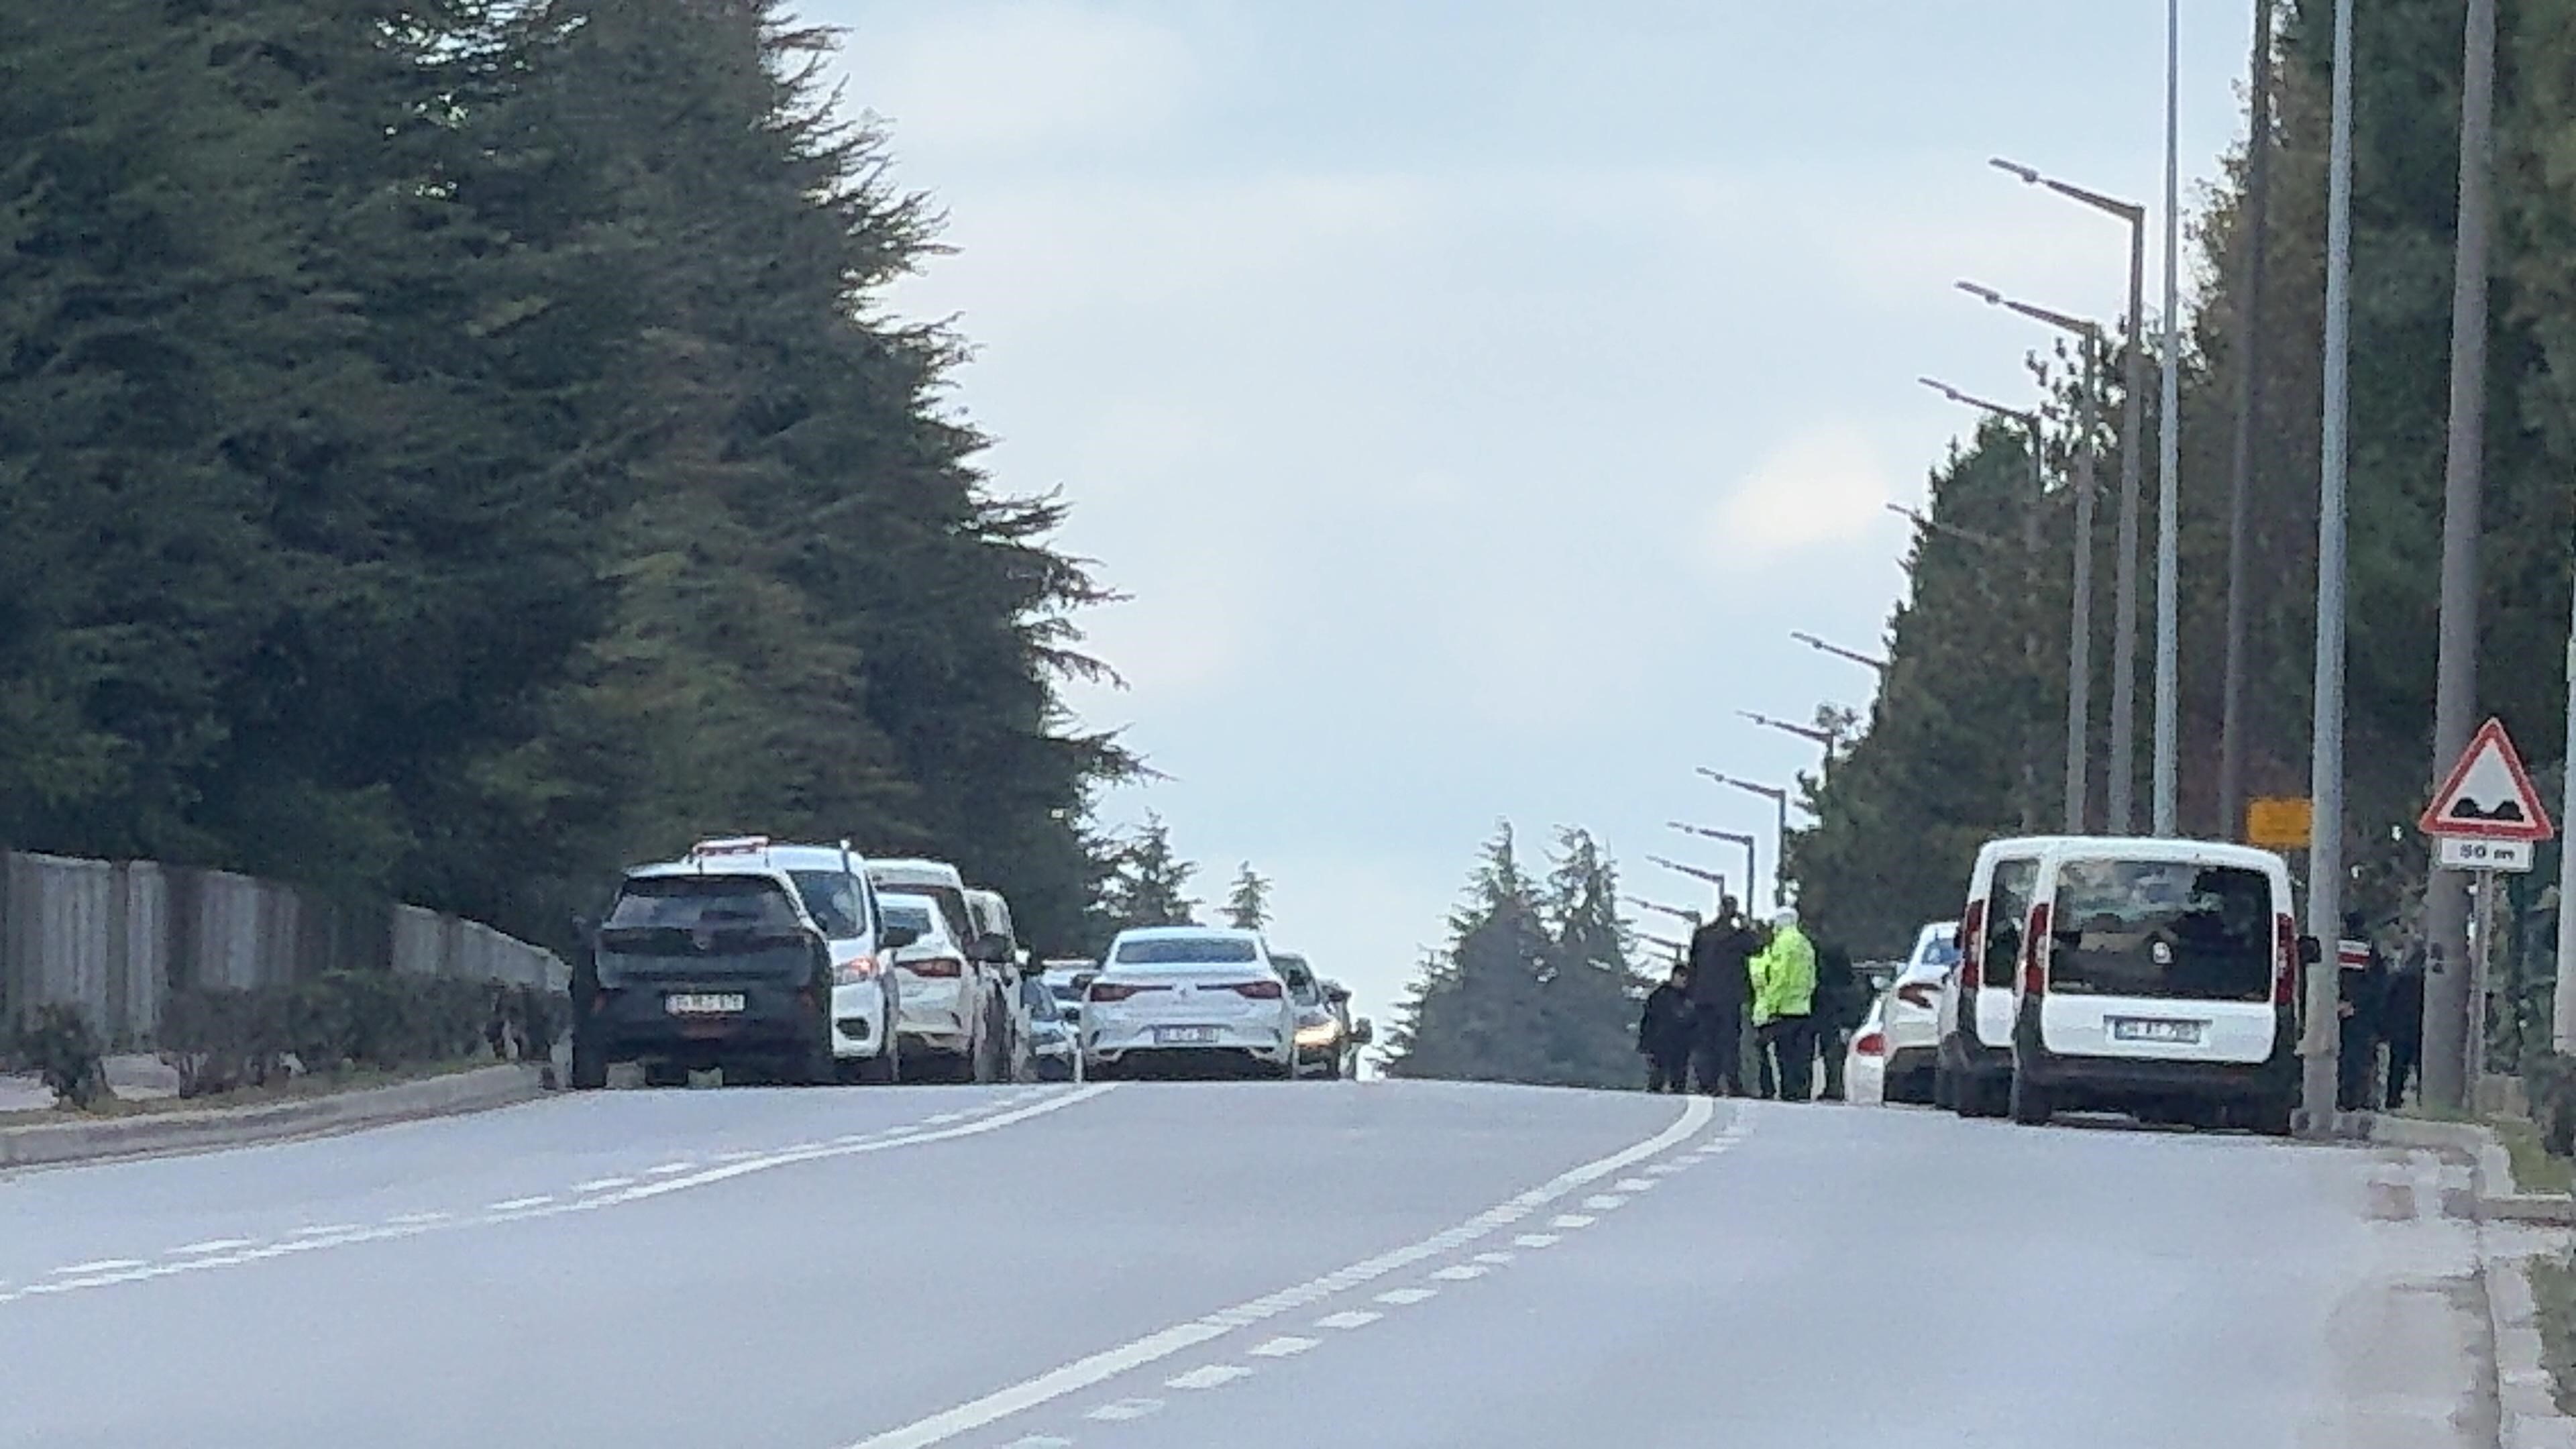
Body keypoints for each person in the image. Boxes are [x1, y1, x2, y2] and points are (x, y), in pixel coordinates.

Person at [1686, 898, 1760, 1095]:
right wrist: (1747, 926)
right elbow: (1757, 949)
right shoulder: (1738, 937)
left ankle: (1707, 1084)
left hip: (1704, 998)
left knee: (1706, 1042)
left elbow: (1693, 965)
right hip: (1729, 999)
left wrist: (1691, 994)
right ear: (1734, 912)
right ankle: (1733, 1085)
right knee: (1729, 1043)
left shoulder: (1702, 935)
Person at [1750, 906, 1819, 1102]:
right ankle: (1801, 1091)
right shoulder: (1805, 944)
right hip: (1803, 1007)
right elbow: (1811, 978)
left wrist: (1770, 1006)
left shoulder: (1783, 944)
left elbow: (1780, 978)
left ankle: (1787, 1091)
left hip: (1785, 1009)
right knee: (1801, 1055)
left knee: (1784, 1055)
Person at [2334, 911, 2386, 1112]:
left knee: (2339, 1056)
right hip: (2360, 1012)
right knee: (2357, 1057)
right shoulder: (2368, 947)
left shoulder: (2332, 941)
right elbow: (2377, 983)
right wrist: (2356, 1005)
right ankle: (2355, 1099)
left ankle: (2342, 1097)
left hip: (2335, 1008)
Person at [1811, 941, 1862, 1102]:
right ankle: (1835, 1087)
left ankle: (1832, 1087)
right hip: (1836, 1011)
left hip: (1824, 1009)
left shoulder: (1822, 959)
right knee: (1834, 1052)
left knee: (1828, 1050)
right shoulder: (1846, 981)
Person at [2383, 935, 2426, 1111]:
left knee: (2397, 1067)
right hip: (2421, 1029)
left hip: (2400, 1028)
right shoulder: (2427, 982)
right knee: (2422, 1067)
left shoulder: (2399, 978)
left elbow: (2387, 1001)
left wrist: (2385, 1026)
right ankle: (2424, 1100)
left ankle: (2392, 1100)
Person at [1638, 964, 1696, 1094]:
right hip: (1660, 1041)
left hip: (1681, 1043)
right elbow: (1649, 1019)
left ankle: (1677, 1091)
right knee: (1658, 1073)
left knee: (1679, 1075)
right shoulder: (1660, 995)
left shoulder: (1690, 999)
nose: (1684, 980)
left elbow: (1694, 1022)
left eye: (1686, 977)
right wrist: (1646, 1041)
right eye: (1681, 976)